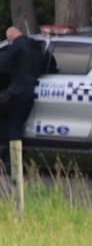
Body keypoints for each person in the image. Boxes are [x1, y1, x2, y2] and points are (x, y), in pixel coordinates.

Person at [0, 27, 45, 159]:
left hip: (17, 92)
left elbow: (3, 63)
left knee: (13, 127)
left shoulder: (16, 45)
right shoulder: (36, 46)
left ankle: (12, 163)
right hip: (30, 91)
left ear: (11, 37)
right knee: (15, 125)